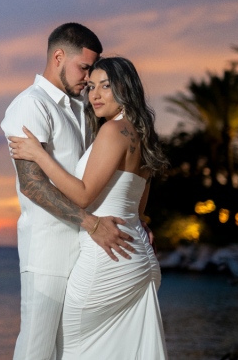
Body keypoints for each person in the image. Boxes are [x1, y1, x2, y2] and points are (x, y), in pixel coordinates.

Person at [9, 56, 169, 359]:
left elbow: (83, 196)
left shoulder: (114, 131)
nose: (94, 95)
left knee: (70, 347)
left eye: (105, 86)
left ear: (125, 88)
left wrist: (39, 155)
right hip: (138, 258)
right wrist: (140, 223)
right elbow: (139, 207)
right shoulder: (145, 136)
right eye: (91, 86)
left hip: (108, 257)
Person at [1, 24, 135, 360]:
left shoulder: (80, 107)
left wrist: (135, 218)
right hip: (47, 254)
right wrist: (91, 223)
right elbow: (32, 185)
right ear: (58, 56)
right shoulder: (30, 105)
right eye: (84, 68)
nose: (89, 79)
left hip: (85, 253)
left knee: (71, 352)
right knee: (37, 350)